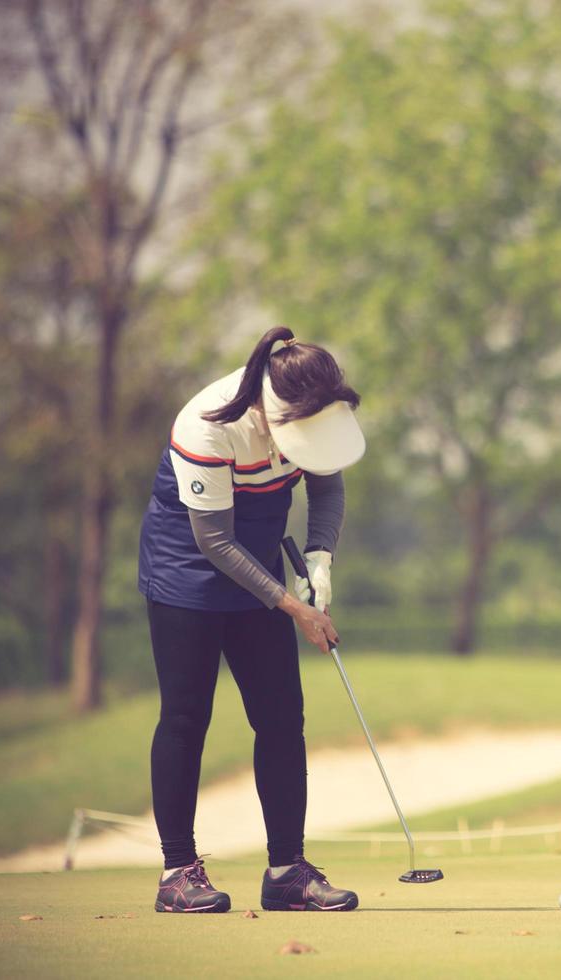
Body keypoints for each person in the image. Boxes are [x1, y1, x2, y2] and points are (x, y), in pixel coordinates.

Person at [137, 325, 365, 913]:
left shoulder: (307, 417)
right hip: (187, 569)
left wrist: (318, 560)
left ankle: (287, 871)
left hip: (258, 561)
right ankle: (177, 873)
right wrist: (292, 606)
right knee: (187, 716)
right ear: (274, 411)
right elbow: (213, 541)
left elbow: (328, 491)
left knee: (283, 717)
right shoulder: (208, 424)